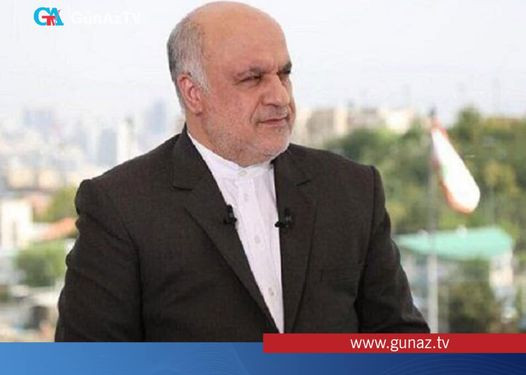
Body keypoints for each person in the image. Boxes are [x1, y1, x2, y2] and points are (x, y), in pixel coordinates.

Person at [55, 2, 429, 342]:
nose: (280, 96)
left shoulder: (352, 189)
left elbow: (402, 341)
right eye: (252, 78)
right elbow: (88, 373)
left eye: (284, 74)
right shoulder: (120, 206)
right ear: (193, 93)